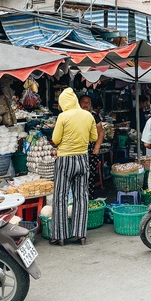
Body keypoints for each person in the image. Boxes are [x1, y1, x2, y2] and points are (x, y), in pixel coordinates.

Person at [50, 88, 97, 246]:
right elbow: (94, 137)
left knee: (60, 197)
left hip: (64, 160)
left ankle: (60, 235)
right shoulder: (88, 115)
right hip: (83, 159)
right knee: (82, 197)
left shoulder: (63, 116)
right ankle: (80, 234)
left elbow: (55, 139)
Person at [80, 95, 104, 199]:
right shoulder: (76, 115)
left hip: (91, 150)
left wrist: (97, 147)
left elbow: (101, 133)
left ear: (91, 105)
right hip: (78, 149)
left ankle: (89, 199)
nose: (85, 104)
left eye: (88, 102)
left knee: (90, 176)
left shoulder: (94, 116)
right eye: (83, 102)